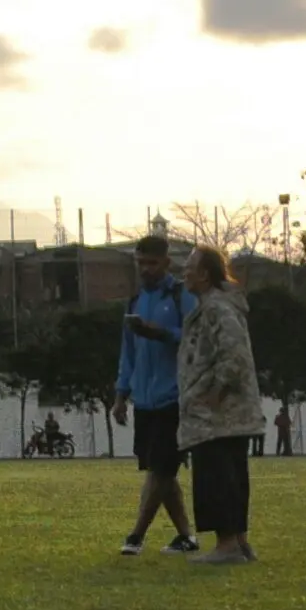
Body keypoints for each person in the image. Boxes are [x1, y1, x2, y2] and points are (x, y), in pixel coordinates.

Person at [178, 245, 267, 565]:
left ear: (204, 274)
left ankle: (227, 544)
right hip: (230, 413)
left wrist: (214, 393)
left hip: (217, 413)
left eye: (189, 266)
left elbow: (234, 354)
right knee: (232, 476)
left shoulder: (217, 308)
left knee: (214, 477)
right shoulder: (215, 306)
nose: (184, 272)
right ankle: (240, 543)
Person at [115, 233, 201, 556]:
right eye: (141, 263)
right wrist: (121, 394)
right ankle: (186, 537)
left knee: (161, 469)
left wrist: (159, 332)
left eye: (152, 263)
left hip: (175, 398)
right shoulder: (135, 302)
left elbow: (195, 338)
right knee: (161, 472)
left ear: (167, 263)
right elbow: (128, 354)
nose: (146, 269)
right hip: (145, 401)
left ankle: (136, 535)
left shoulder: (181, 296)